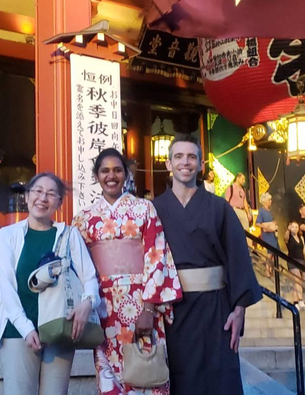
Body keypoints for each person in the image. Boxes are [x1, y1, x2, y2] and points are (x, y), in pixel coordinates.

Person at [152, 136, 261, 395]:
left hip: (216, 308)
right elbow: (147, 261)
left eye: (191, 157)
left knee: (219, 376)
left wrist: (240, 308)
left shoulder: (219, 207)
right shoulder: (154, 209)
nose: (185, 163)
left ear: (201, 164)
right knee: (180, 377)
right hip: (172, 310)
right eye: (178, 157)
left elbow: (237, 255)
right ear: (168, 164)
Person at [72, 148, 181, 395]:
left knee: (147, 375)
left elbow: (157, 255)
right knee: (108, 378)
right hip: (102, 308)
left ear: (127, 174)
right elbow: (77, 268)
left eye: (117, 170)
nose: (112, 176)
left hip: (140, 304)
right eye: (105, 171)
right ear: (96, 176)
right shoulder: (83, 219)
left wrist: (149, 308)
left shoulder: (144, 209)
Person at [0, 172, 100, 395]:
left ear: (59, 202)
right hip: (17, 331)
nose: (43, 198)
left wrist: (87, 303)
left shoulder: (69, 235)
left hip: (59, 327)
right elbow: (7, 289)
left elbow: (89, 277)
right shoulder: (7, 235)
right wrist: (25, 328)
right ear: (28, 195)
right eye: (38, 191)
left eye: (51, 194)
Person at [284, 221, 305, 309]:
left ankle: (295, 301)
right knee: (297, 278)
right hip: (292, 260)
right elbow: (285, 238)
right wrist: (288, 230)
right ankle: (301, 300)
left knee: (298, 282)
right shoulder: (289, 237)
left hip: (301, 260)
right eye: (293, 227)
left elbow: (304, 250)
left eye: (296, 227)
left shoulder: (301, 238)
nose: (295, 228)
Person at [255, 192, 278, 276]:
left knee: (272, 252)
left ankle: (270, 269)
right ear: (265, 201)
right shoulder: (261, 211)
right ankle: (267, 270)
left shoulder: (270, 211)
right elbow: (257, 223)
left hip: (272, 233)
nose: (270, 201)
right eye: (269, 200)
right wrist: (266, 227)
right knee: (269, 252)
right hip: (267, 234)